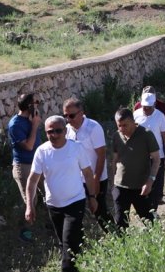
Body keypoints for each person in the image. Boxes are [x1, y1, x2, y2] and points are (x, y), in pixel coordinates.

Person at [25, 116, 98, 272]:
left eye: (58, 131)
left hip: (75, 201)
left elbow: (87, 173)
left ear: (65, 131)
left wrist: (92, 197)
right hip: (54, 205)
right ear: (45, 133)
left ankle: (68, 267)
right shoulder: (42, 151)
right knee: (64, 242)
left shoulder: (76, 148)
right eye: (50, 131)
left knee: (69, 243)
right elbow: (32, 181)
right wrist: (29, 206)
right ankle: (77, 261)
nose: (55, 134)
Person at [63, 98, 110, 232]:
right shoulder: (66, 130)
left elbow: (101, 156)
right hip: (77, 180)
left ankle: (117, 237)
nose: (68, 119)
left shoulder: (93, 128)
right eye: (65, 116)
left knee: (99, 211)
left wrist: (96, 180)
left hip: (95, 177)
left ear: (81, 112)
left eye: (71, 115)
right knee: (76, 213)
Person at [111, 108, 160, 229]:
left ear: (133, 122)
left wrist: (150, 181)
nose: (122, 129)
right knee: (120, 223)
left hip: (140, 186)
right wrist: (113, 182)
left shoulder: (146, 134)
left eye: (125, 125)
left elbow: (156, 159)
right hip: (120, 186)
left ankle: (158, 245)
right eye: (119, 126)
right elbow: (115, 159)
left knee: (149, 222)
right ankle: (123, 246)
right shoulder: (117, 136)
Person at [7, 93, 43, 243]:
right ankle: (25, 232)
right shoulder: (15, 124)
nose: (38, 105)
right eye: (36, 103)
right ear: (30, 106)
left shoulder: (28, 120)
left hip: (38, 164)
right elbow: (28, 146)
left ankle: (50, 225)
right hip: (24, 166)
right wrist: (35, 126)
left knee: (49, 192)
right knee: (30, 201)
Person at [134, 93, 165, 213]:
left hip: (157, 156)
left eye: (149, 107)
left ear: (154, 105)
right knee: (142, 183)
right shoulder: (136, 114)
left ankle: (153, 210)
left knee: (155, 185)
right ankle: (145, 209)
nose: (146, 110)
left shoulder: (160, 116)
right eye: (144, 107)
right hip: (141, 157)